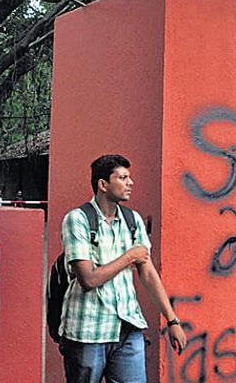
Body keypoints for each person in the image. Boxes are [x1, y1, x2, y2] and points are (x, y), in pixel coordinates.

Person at [58, 154, 187, 383]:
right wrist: (129, 256)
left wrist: (172, 320)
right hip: (88, 331)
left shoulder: (132, 220)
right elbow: (88, 279)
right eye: (123, 177)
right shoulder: (78, 219)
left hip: (127, 327)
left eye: (130, 177)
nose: (131, 183)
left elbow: (148, 274)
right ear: (103, 184)